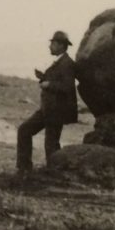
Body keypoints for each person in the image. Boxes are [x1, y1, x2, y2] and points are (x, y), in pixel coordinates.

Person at [17, 30, 78, 174]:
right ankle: (25, 169)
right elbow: (59, 82)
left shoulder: (67, 64)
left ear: (61, 45)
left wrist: (48, 84)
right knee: (25, 131)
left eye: (53, 44)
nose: (50, 47)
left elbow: (68, 87)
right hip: (48, 110)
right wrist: (43, 77)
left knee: (50, 144)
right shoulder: (60, 62)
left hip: (56, 111)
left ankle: (52, 173)